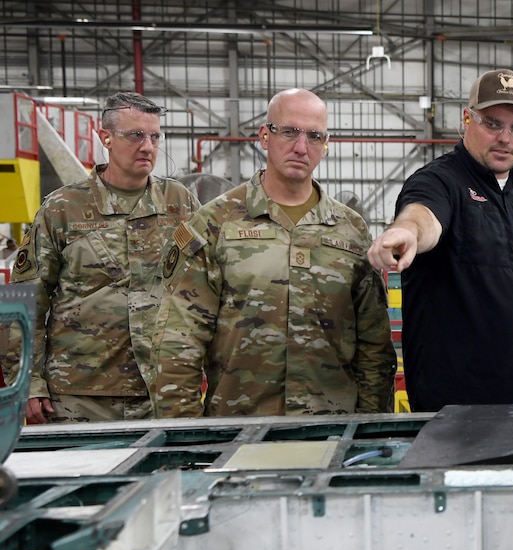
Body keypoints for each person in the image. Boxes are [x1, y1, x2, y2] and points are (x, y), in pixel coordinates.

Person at [153, 88, 395, 417]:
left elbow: (374, 346)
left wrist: (369, 429)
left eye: (314, 136)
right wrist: (185, 436)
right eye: (289, 132)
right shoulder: (215, 222)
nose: (300, 146)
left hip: (330, 428)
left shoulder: (350, 230)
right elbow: (179, 339)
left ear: (326, 144)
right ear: (265, 137)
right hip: (238, 428)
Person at [367, 68, 513, 412]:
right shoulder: (440, 182)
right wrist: (406, 232)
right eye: (492, 123)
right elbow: (424, 215)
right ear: (467, 120)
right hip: (457, 412)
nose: (505, 137)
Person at [4, 92, 199, 423]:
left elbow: (202, 292)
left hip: (163, 390)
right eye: (135, 135)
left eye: (155, 136)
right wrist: (27, 382)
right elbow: (25, 300)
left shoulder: (180, 203)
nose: (148, 146)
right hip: (80, 395)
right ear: (105, 137)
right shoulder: (63, 208)